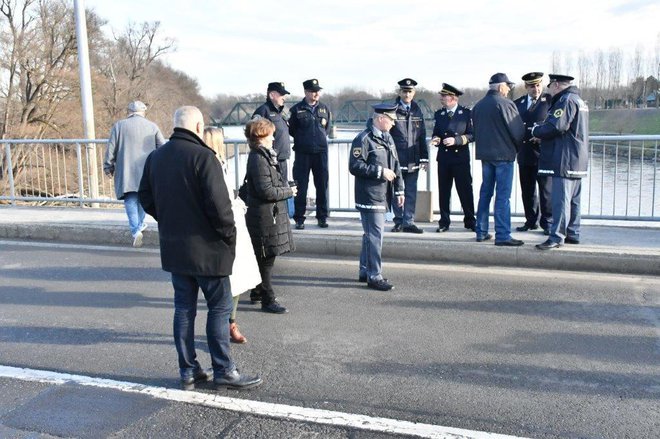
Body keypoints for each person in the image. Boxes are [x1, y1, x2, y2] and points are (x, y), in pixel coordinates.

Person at [138, 106, 261, 390]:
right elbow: (220, 209)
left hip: (175, 247)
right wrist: (228, 236)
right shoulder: (204, 157)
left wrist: (167, 218)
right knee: (219, 308)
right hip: (209, 249)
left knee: (184, 309)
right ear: (197, 126)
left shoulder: (156, 158)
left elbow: (145, 197)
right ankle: (224, 370)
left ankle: (189, 370)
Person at [203, 127, 260, 344]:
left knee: (237, 278)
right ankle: (225, 325)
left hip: (233, 222)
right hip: (226, 227)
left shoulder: (219, 163)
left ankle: (229, 323)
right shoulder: (210, 164)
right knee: (230, 279)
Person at [243, 118, 297, 313]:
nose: (274, 137)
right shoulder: (258, 158)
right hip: (263, 217)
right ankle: (268, 299)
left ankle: (258, 291)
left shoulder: (264, 156)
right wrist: (289, 192)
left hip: (267, 215)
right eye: (271, 134)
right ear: (261, 136)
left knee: (264, 257)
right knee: (266, 259)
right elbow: (265, 190)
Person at [349, 104, 404, 291]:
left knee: (370, 235)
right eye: (392, 119)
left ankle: (365, 271)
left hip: (383, 195)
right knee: (375, 236)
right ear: (381, 118)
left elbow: (396, 165)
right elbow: (354, 166)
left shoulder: (388, 138)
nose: (394, 123)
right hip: (370, 195)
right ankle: (375, 276)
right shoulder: (363, 139)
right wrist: (380, 172)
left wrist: (399, 191)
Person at [532, 74, 589, 250]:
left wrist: (536, 130)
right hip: (577, 158)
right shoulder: (579, 100)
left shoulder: (565, 100)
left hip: (565, 158)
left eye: (550, 86)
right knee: (574, 200)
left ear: (556, 85)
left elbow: (556, 126)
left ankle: (556, 237)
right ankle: (573, 232)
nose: (548, 89)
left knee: (561, 200)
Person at [472, 73, 526, 246]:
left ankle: (481, 231)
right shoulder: (506, 104)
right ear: (500, 86)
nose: (509, 89)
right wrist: (517, 148)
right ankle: (502, 235)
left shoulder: (478, 106)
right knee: (503, 196)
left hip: (485, 156)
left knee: (485, 193)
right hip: (504, 156)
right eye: (507, 86)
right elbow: (517, 131)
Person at [104, 100, 165, 247]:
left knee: (130, 198)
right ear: (143, 112)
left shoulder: (119, 126)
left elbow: (111, 148)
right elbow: (162, 147)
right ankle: (139, 225)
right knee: (144, 199)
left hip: (126, 169)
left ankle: (136, 230)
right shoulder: (152, 127)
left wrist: (108, 166)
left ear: (129, 112)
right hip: (147, 169)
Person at [430, 83, 476, 233]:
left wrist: (456, 141)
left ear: (453, 98)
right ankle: (444, 222)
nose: (441, 98)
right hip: (443, 158)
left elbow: (472, 135)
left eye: (444, 96)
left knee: (465, 191)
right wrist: (436, 139)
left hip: (460, 158)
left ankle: (470, 220)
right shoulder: (439, 114)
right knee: (444, 191)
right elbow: (436, 132)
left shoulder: (466, 114)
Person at [289, 78, 332, 229]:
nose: (316, 94)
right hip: (303, 154)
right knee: (301, 187)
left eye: (317, 91)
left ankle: (322, 217)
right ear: (306, 92)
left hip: (320, 153)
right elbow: (292, 130)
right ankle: (299, 218)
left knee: (322, 185)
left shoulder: (324, 109)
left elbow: (326, 130)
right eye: (313, 91)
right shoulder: (296, 110)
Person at [514, 72, 553, 234]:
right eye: (532, 86)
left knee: (546, 191)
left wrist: (542, 137)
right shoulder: (518, 103)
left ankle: (547, 222)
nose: (536, 88)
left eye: (538, 85)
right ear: (526, 87)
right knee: (527, 190)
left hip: (544, 154)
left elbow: (554, 126)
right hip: (524, 153)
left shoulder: (550, 101)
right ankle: (530, 220)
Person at [389, 78, 427, 234]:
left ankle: (408, 222)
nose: (407, 94)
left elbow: (422, 135)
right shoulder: (392, 109)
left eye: (410, 91)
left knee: (411, 191)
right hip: (396, 159)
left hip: (413, 158)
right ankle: (398, 221)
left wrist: (424, 158)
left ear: (414, 93)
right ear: (400, 92)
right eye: (404, 91)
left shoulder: (417, 109)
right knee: (396, 192)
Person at [252, 82, 292, 180]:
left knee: (282, 191)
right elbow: (254, 135)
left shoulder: (280, 112)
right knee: (273, 193)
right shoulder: (262, 111)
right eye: (281, 95)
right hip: (270, 162)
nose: (284, 98)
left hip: (282, 160)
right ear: (272, 95)